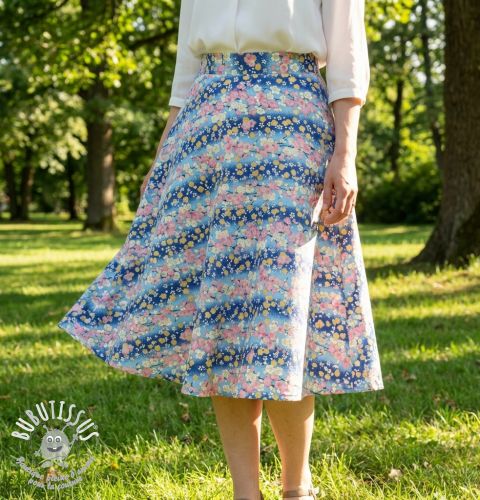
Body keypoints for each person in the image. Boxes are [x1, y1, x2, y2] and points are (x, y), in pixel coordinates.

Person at [58, 1, 384, 499]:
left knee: (281, 313)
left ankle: (296, 488)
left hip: (289, 132)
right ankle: (244, 493)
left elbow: (347, 52)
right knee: (222, 317)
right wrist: (164, 157)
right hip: (205, 132)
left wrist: (346, 154)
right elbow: (185, 72)